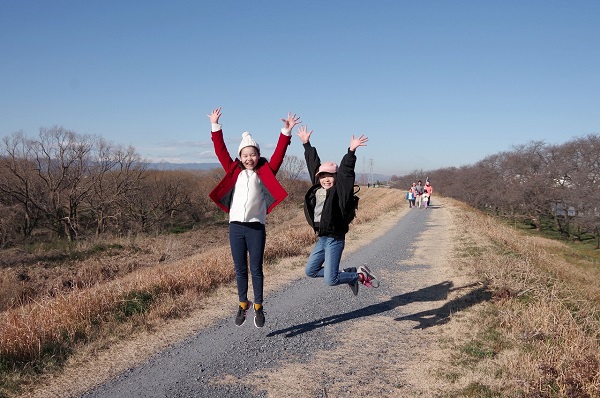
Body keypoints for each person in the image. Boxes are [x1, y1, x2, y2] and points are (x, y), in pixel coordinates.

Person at [208, 107, 301, 328]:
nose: (249, 158)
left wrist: (285, 132)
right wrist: (215, 126)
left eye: (253, 154)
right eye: (245, 155)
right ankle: (243, 303)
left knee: (256, 269)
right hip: (235, 227)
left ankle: (258, 306)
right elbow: (220, 150)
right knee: (239, 268)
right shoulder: (234, 171)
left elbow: (279, 153)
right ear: (240, 157)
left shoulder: (265, 172)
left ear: (258, 155)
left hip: (256, 227)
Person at [296, 125, 379, 296]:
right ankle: (350, 274)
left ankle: (360, 275)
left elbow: (346, 174)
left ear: (336, 177)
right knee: (310, 271)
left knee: (330, 279)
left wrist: (351, 152)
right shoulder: (318, 189)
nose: (326, 179)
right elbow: (314, 166)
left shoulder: (340, 193)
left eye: (330, 176)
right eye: (323, 176)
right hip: (322, 238)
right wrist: (306, 144)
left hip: (335, 238)